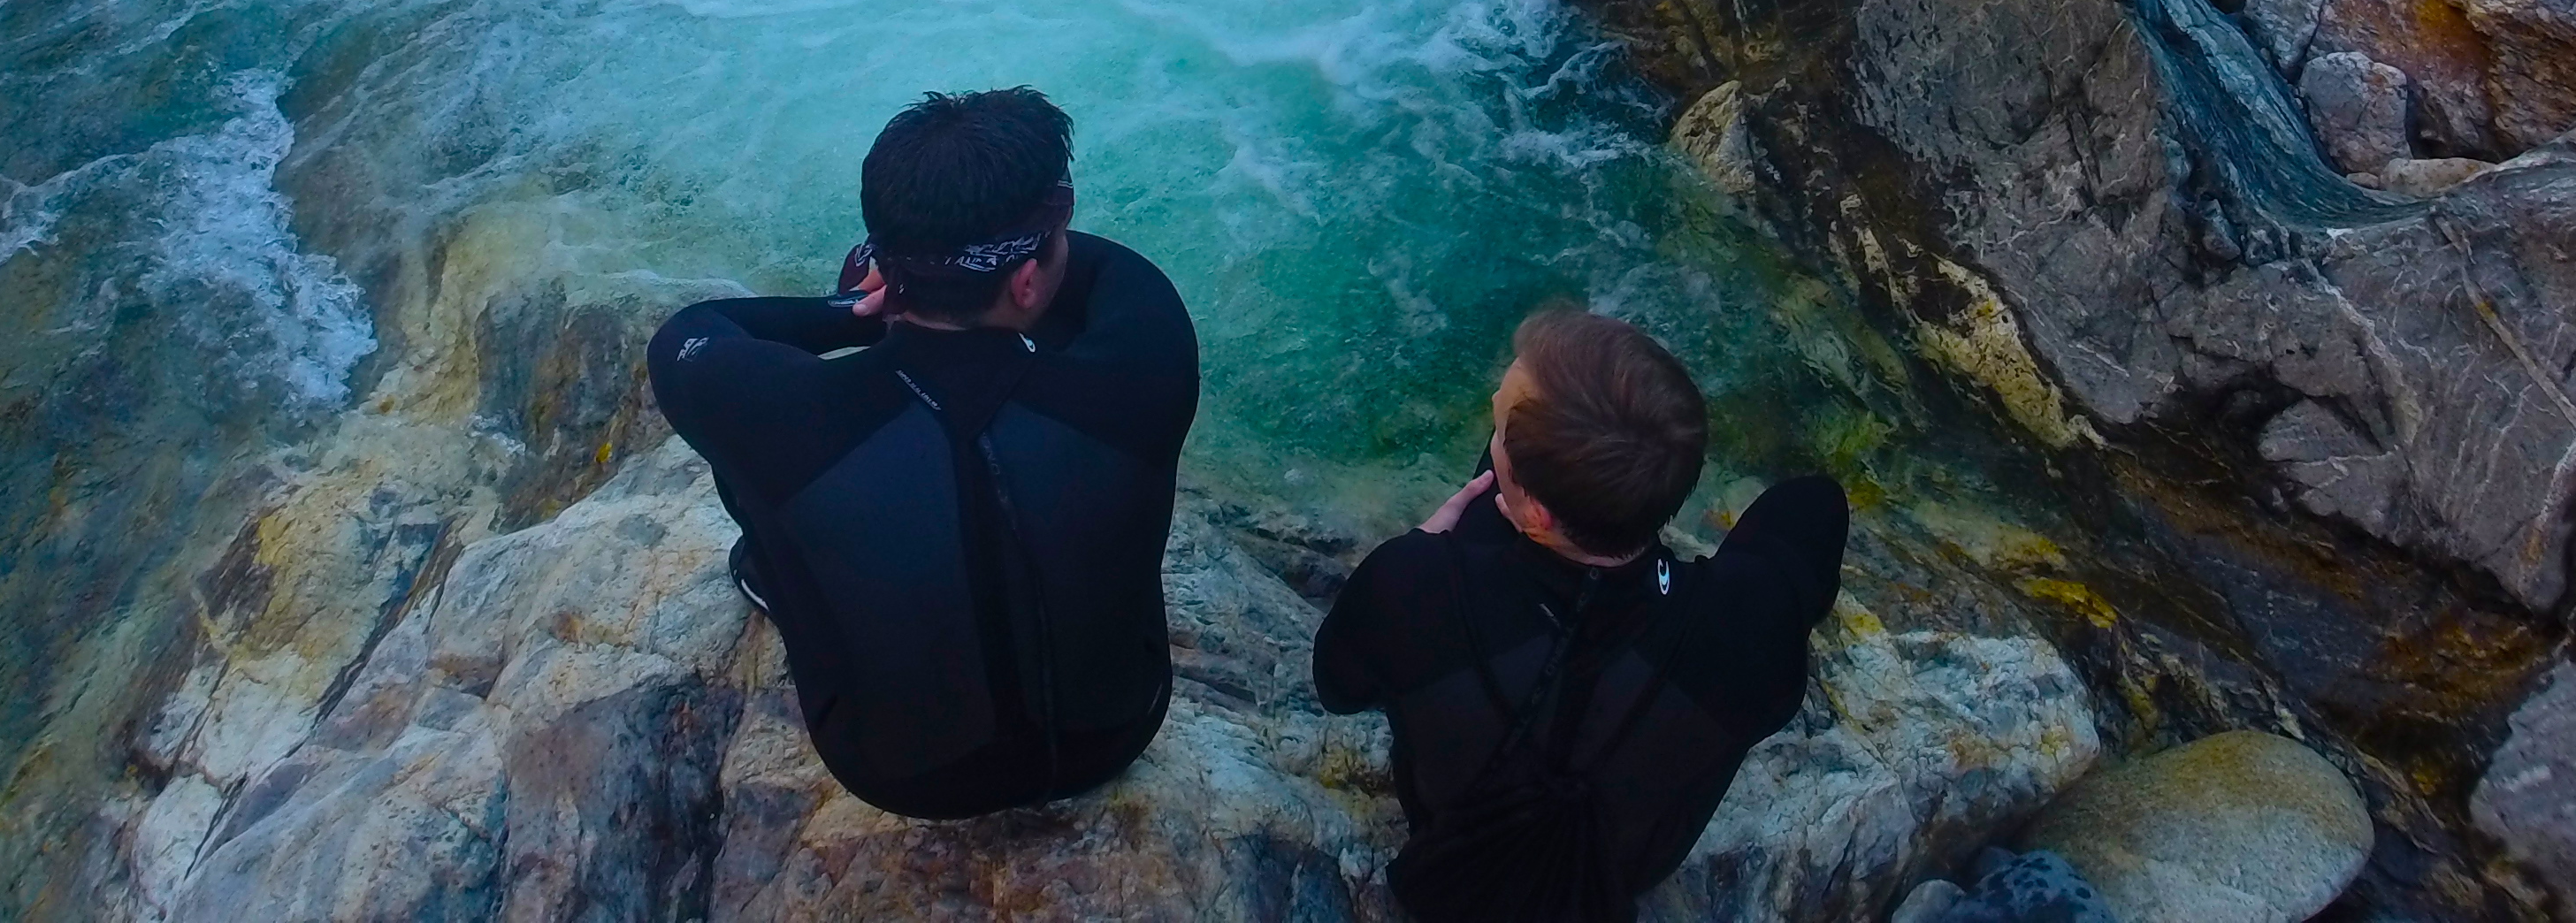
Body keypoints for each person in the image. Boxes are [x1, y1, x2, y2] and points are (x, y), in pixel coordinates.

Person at [646, 87, 1198, 820]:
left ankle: (776, 580)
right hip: (1119, 729)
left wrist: (862, 306)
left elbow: (692, 332)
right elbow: (1106, 272)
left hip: (896, 774)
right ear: (1026, 281)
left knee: (749, 453)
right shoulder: (1148, 364)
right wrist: (986, 257)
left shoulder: (788, 417)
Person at [1313, 305, 1849, 922]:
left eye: (1497, 425)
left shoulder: (1412, 585)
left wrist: (1423, 546)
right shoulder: (1748, 634)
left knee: (1489, 490)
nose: (1493, 416)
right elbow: (1773, 670)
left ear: (1536, 516)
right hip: (1625, 868)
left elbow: (1339, 688)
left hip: (1456, 843)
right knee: (1811, 503)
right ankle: (1612, 523)